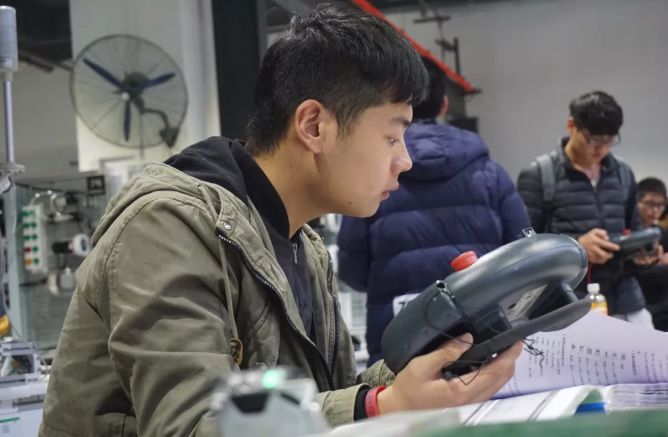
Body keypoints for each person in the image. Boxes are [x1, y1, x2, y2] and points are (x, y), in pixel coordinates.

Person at [39, 5, 521, 437]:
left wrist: (435, 356)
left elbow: (318, 402)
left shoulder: (303, 246)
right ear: (314, 126)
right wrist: (380, 405)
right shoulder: (167, 226)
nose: (405, 161)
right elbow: (192, 425)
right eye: (393, 137)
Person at [336, 56, 531, 366]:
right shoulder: (490, 172)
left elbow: (352, 269)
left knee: (398, 396)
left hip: (400, 337)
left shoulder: (371, 175)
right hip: (481, 331)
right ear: (443, 105)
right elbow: (521, 255)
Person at [517, 91, 655, 327]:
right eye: (593, 140)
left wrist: (644, 254)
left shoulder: (622, 172)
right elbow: (523, 247)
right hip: (568, 306)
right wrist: (577, 248)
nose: (601, 149)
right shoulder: (540, 174)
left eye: (609, 141)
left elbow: (634, 230)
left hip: (626, 301)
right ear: (571, 126)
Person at [635, 178, 668, 331]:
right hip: (639, 306)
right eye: (650, 204)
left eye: (660, 205)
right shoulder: (627, 235)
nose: (655, 210)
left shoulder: (663, 233)